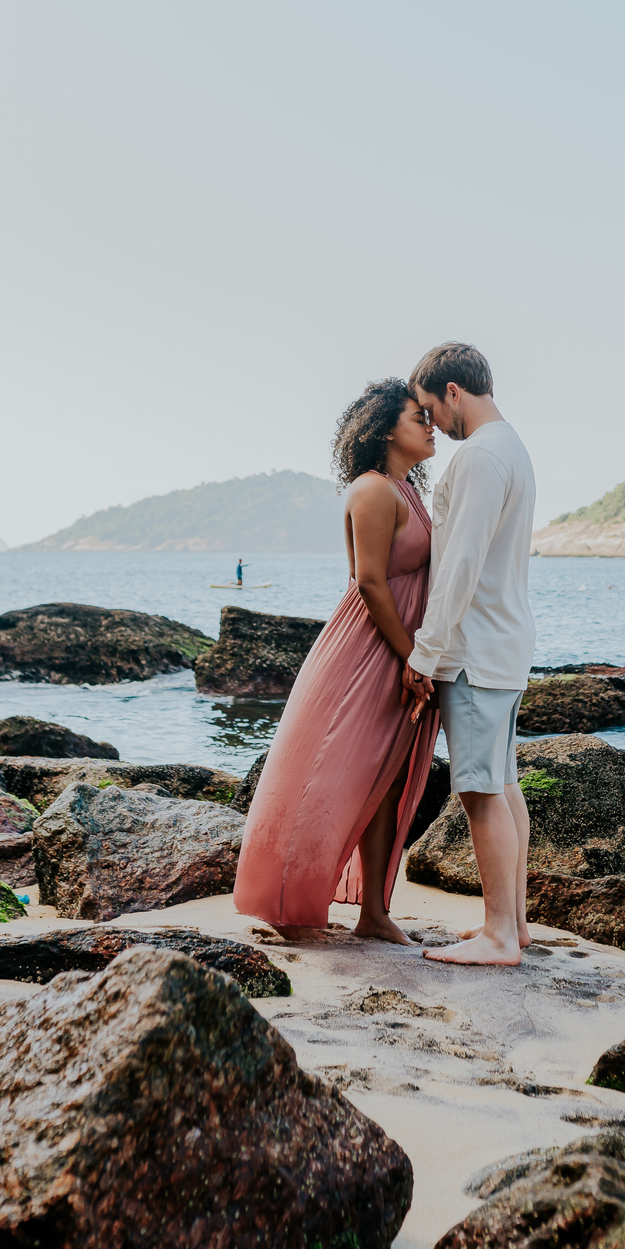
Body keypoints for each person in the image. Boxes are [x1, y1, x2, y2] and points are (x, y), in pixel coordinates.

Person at [233, 379, 440, 943]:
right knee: (335, 774)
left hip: (400, 649)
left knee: (388, 778)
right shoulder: (374, 490)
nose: (430, 425)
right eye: (417, 417)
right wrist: (412, 657)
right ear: (384, 430)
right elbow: (370, 583)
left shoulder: (408, 489)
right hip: (372, 648)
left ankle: (373, 911)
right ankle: (286, 897)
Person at [403, 342, 536, 967]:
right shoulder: (512, 447)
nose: (433, 423)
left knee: (482, 793)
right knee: (504, 785)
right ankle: (515, 925)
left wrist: (425, 653)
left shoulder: (481, 456)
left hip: (476, 648)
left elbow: (459, 561)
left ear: (454, 390)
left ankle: (499, 936)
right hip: (503, 640)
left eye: (431, 407)